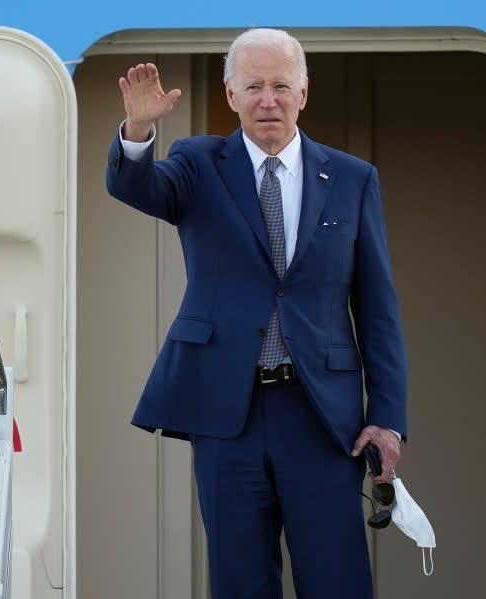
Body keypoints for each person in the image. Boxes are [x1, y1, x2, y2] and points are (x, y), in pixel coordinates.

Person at [106, 28, 407, 599]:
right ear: (231, 96)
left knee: (337, 578)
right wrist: (140, 131)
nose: (268, 100)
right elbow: (136, 186)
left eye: (280, 86)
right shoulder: (197, 163)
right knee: (239, 580)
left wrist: (387, 417)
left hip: (321, 416)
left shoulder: (351, 178)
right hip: (226, 411)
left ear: (303, 93)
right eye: (254, 87)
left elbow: (378, 309)